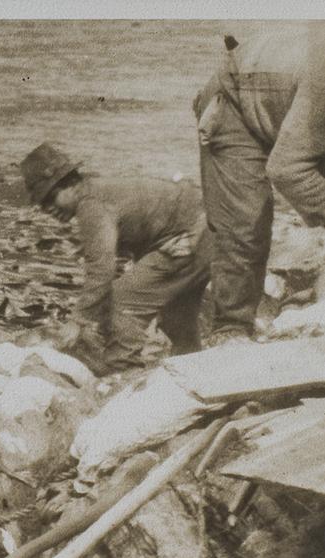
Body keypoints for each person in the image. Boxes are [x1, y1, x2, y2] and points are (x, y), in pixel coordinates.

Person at [20, 142, 212, 373]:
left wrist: (78, 320)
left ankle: (124, 371)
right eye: (42, 204)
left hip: (190, 237)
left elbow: (101, 269)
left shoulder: (91, 206)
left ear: (70, 185)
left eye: (50, 198)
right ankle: (193, 369)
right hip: (205, 231)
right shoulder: (99, 190)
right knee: (175, 311)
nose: (47, 209)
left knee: (121, 300)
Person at [194, 24, 325, 343]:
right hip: (236, 101)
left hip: (288, 99)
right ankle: (229, 331)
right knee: (247, 220)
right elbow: (288, 168)